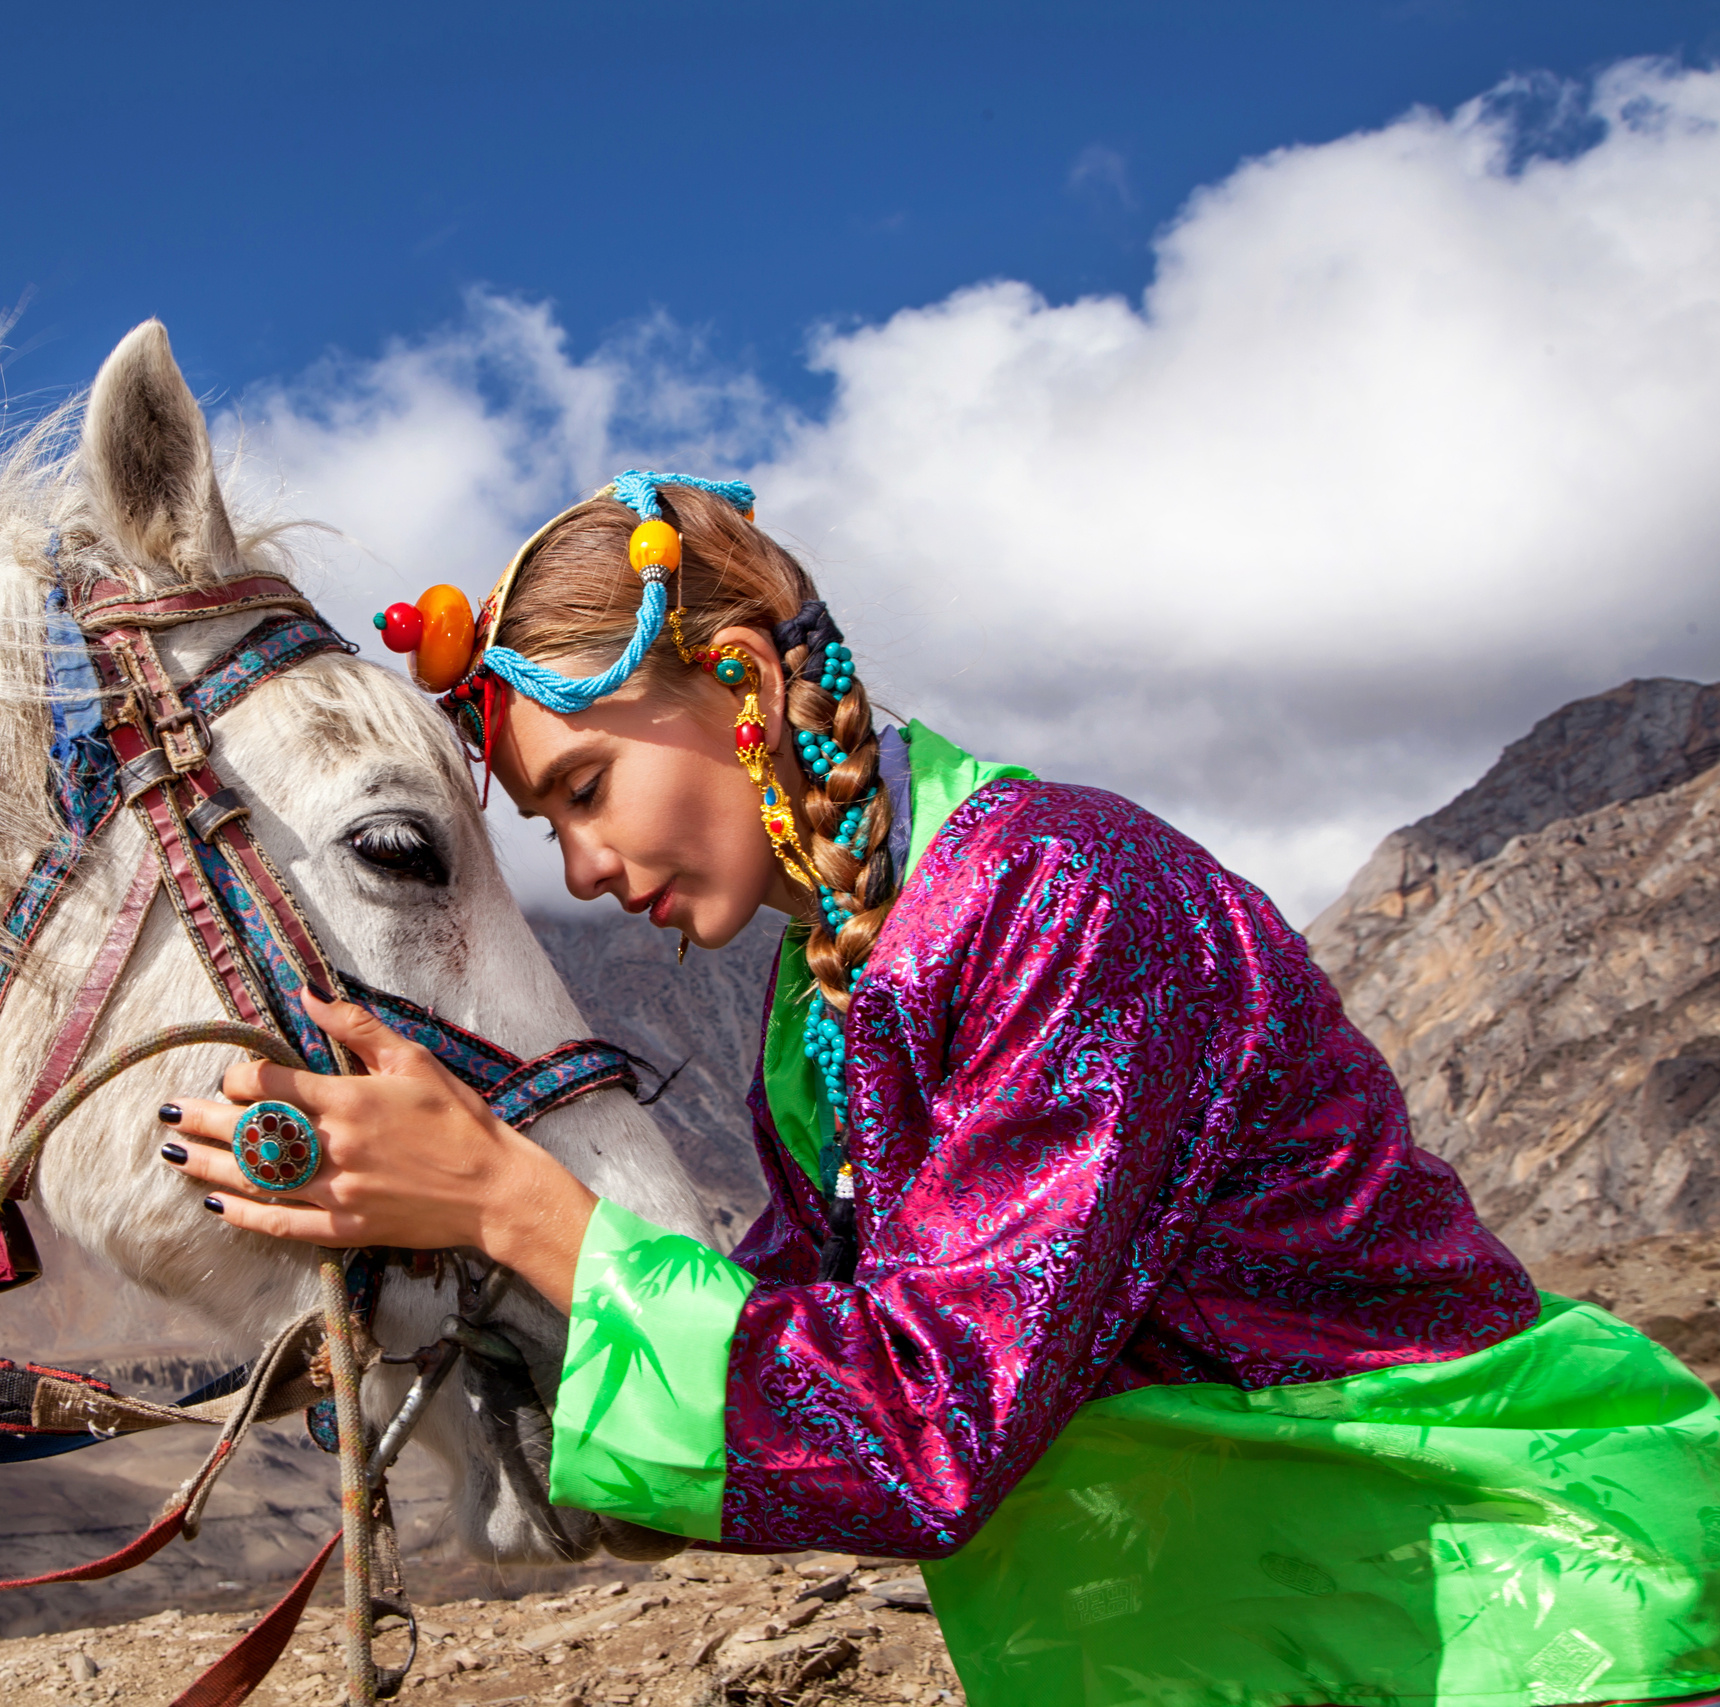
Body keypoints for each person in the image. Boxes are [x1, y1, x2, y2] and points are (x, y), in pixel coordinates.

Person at [153, 471, 1720, 1707]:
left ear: (743, 686)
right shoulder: (827, 1004)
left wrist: (507, 1191)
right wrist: (439, 1248)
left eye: (585, 790)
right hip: (1291, 1643)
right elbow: (779, 1355)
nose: (579, 867)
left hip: (1525, 1624)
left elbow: (929, 1419)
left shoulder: (1062, 898)